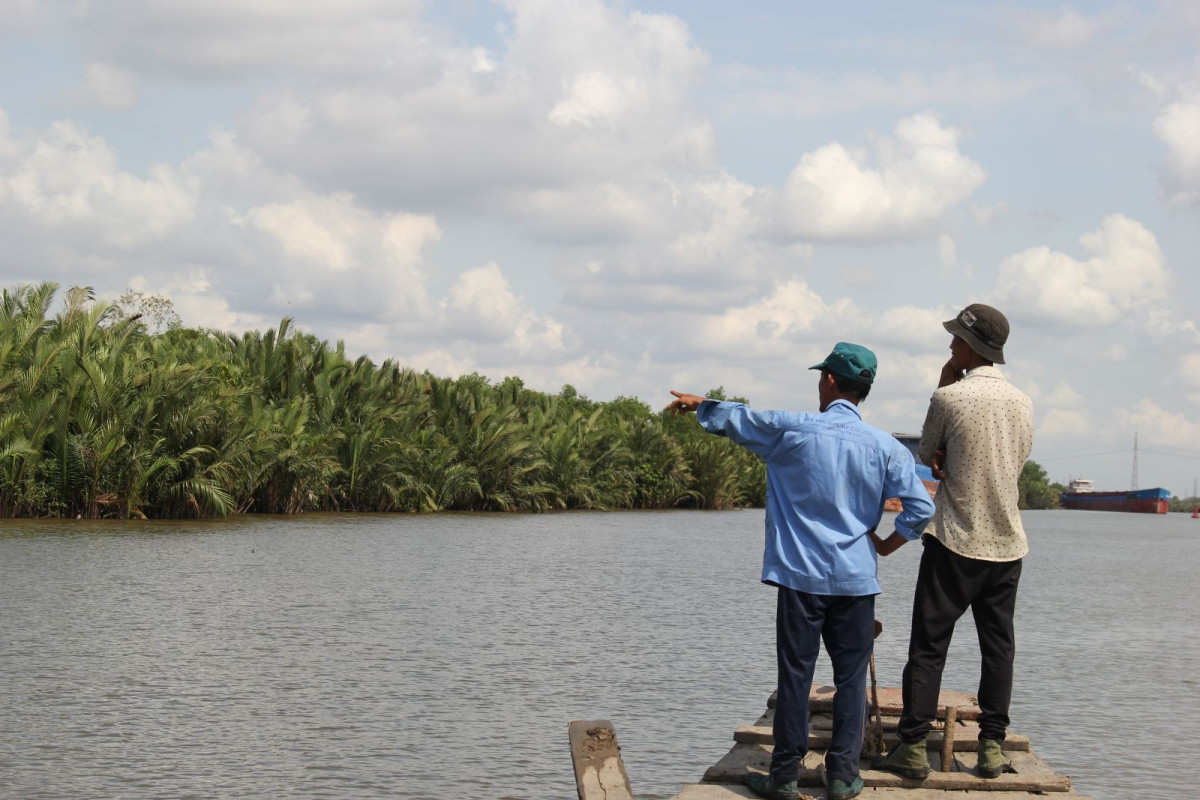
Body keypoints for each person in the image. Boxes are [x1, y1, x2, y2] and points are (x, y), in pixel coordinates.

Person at [668, 342, 934, 800]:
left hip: (801, 579)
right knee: (850, 682)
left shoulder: (795, 431)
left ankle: (786, 776)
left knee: (796, 676)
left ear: (829, 381)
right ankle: (844, 777)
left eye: (820, 377)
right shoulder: (886, 447)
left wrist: (699, 405)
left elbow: (743, 419)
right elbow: (921, 506)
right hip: (855, 581)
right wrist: (887, 545)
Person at [873, 303, 1033, 781]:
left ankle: (914, 748)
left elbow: (925, 452)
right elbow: (1013, 461)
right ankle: (990, 749)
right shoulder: (1024, 402)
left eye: (954, 341)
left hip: (956, 540)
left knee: (928, 645)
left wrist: (945, 380)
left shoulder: (951, 397)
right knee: (998, 647)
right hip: (1007, 545)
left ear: (971, 348)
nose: (949, 346)